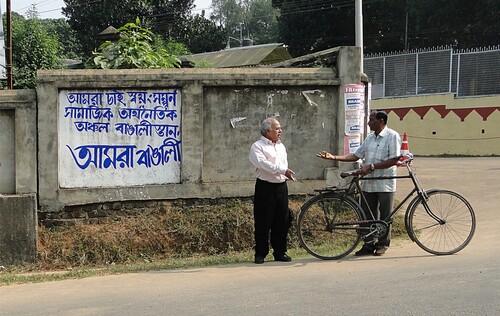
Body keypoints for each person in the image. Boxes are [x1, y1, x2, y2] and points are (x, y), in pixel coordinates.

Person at [317, 110, 401, 256]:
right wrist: (334, 157)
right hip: (368, 183)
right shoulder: (369, 138)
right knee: (367, 214)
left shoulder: (392, 136)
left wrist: (373, 166)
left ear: (381, 121)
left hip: (385, 182)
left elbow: (394, 160)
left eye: (371, 120)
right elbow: (355, 156)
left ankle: (382, 244)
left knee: (385, 215)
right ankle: (368, 244)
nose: (368, 123)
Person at [249, 117, 296, 264]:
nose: (280, 131)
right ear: (267, 131)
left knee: (282, 220)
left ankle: (280, 252)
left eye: (280, 128)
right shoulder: (257, 147)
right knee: (263, 220)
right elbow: (263, 164)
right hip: (265, 186)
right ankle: (260, 253)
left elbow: (283, 164)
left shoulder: (281, 146)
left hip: (281, 186)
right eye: (277, 129)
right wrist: (282, 170)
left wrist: (284, 173)